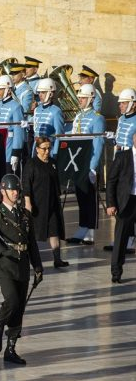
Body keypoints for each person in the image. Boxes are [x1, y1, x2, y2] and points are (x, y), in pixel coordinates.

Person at [0, 174, 43, 365]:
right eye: (12, 189)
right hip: (5, 264)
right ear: (3, 191)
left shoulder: (25, 215)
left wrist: (38, 266)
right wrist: (3, 251)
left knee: (19, 309)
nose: (15, 193)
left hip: (22, 264)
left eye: (17, 189)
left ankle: (10, 349)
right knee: (11, 299)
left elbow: (32, 243)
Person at [66, 84, 105, 246]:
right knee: (81, 197)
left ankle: (89, 231)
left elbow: (98, 143)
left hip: (88, 163)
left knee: (90, 198)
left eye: (82, 98)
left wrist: (92, 167)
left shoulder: (97, 118)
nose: (79, 100)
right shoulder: (79, 116)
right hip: (77, 161)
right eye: (79, 97)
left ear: (90, 99)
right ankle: (83, 228)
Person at [22, 137, 68, 268]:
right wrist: (27, 202)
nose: (47, 151)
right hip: (37, 204)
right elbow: (26, 184)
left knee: (54, 231)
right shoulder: (31, 164)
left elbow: (56, 181)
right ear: (37, 149)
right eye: (44, 149)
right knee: (34, 233)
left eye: (49, 148)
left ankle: (57, 258)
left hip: (52, 203)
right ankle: (28, 260)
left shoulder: (52, 163)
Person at [106, 130, 136, 283]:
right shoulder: (122, 157)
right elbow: (111, 181)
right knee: (121, 238)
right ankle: (116, 271)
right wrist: (110, 204)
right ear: (133, 139)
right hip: (127, 202)